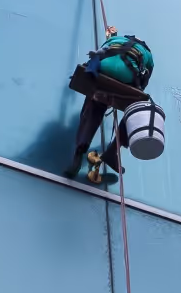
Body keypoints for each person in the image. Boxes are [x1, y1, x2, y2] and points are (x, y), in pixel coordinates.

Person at [65, 27, 154, 183]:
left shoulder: (115, 39)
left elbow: (99, 57)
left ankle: (79, 152)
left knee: (94, 104)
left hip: (103, 72)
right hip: (127, 76)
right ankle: (113, 151)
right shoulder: (148, 54)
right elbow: (144, 80)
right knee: (134, 110)